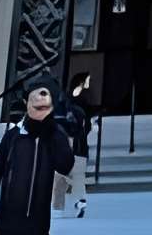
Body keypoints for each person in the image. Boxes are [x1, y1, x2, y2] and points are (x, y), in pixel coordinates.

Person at [0, 84, 74, 235]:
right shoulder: (13, 136)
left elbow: (65, 166)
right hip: (7, 225)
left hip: (37, 226)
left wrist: (54, 133)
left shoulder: (53, 136)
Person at [55, 78, 93, 218]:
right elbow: (85, 129)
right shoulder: (80, 110)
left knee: (60, 177)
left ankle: (59, 208)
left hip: (65, 148)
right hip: (79, 148)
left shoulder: (58, 112)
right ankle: (80, 201)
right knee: (78, 178)